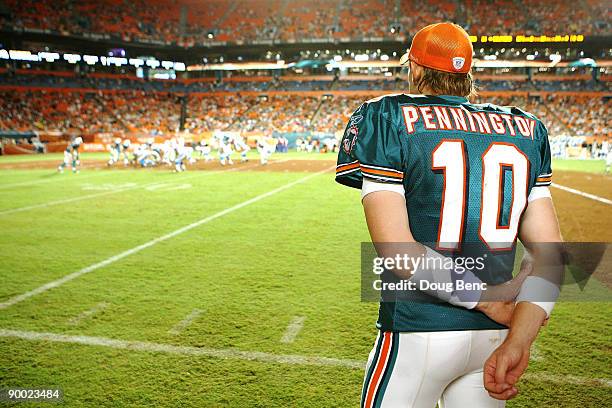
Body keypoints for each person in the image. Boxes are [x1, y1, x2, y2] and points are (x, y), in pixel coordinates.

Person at [335, 22, 563, 407]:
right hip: (494, 338)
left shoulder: (387, 117)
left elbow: (398, 252)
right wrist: (521, 338)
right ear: (467, 73)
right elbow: (552, 254)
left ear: (416, 69)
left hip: (418, 332)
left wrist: (487, 299)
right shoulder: (526, 128)